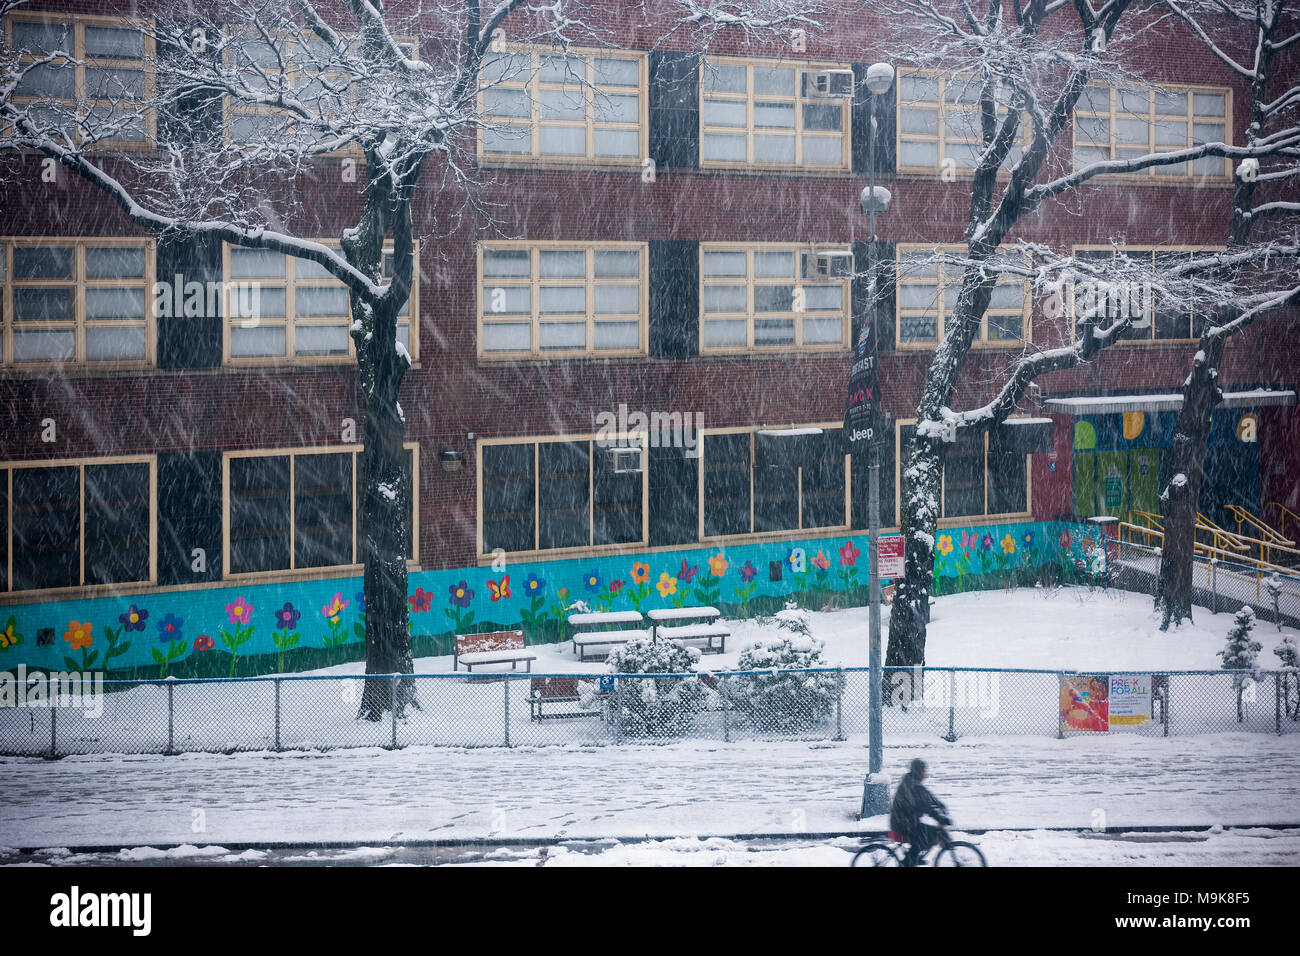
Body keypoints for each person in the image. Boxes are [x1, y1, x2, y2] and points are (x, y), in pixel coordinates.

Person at [889, 758, 951, 867]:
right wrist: (940, 818)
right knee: (925, 835)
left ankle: (913, 857)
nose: (925, 773)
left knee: (927, 834)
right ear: (918, 771)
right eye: (923, 771)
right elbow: (925, 806)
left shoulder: (913, 782)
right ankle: (909, 861)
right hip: (902, 823)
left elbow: (927, 796)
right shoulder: (910, 785)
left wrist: (940, 804)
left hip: (908, 821)